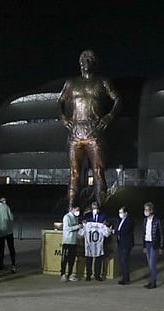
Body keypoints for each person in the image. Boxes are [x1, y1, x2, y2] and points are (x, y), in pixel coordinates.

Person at [59, 49, 121, 207]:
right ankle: (71, 209)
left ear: (93, 63)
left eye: (87, 60)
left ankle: (99, 210)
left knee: (98, 172)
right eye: (81, 60)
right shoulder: (71, 83)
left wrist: (109, 116)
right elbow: (59, 101)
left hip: (94, 133)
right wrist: (63, 117)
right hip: (75, 133)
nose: (83, 62)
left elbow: (118, 99)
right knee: (73, 174)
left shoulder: (102, 82)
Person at [142, 202, 164, 289]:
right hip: (147, 244)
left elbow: (162, 234)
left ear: (151, 210)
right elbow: (144, 234)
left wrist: (161, 247)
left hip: (154, 244)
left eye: (147, 210)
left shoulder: (157, 220)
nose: (145, 211)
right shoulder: (145, 220)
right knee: (149, 264)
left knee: (152, 264)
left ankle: (153, 283)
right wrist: (144, 246)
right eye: (144, 209)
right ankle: (151, 281)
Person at [60, 205, 82, 282]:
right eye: (76, 210)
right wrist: (77, 226)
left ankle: (70, 274)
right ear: (72, 209)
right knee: (64, 259)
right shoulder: (67, 217)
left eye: (78, 210)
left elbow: (77, 229)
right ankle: (63, 274)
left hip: (74, 242)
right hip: (67, 241)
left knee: (72, 259)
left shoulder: (76, 218)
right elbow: (67, 228)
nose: (78, 212)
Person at [115, 206, 134, 285]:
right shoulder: (120, 220)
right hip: (120, 243)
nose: (120, 214)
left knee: (124, 260)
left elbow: (124, 231)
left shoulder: (129, 221)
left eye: (121, 212)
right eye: (119, 212)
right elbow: (117, 229)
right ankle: (125, 277)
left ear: (126, 213)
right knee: (122, 261)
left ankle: (126, 279)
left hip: (126, 243)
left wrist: (114, 231)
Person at [1, 197, 17, 273]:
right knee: (10, 248)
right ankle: (13, 265)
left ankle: (2, 265)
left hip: (4, 232)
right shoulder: (7, 207)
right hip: (8, 232)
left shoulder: (2, 207)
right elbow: (11, 218)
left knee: (2, 249)